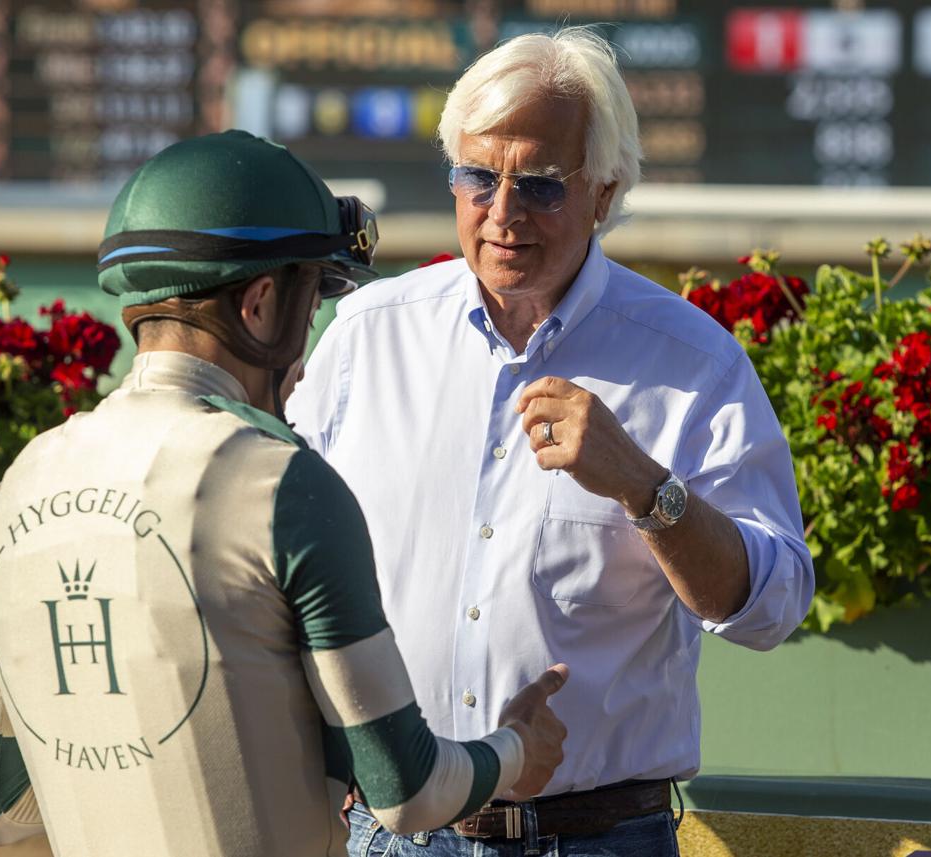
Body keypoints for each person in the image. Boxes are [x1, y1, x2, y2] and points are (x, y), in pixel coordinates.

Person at [0, 130, 570, 857]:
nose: (304, 366)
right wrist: (515, 748)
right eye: (310, 312)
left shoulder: (2, 505)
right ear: (260, 304)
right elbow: (406, 792)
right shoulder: (287, 485)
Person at [286, 28, 815, 857]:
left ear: (604, 193)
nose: (502, 214)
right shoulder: (365, 335)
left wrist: (646, 489)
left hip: (594, 837)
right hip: (387, 832)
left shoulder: (691, 360)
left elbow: (773, 605)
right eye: (476, 176)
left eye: (538, 184)